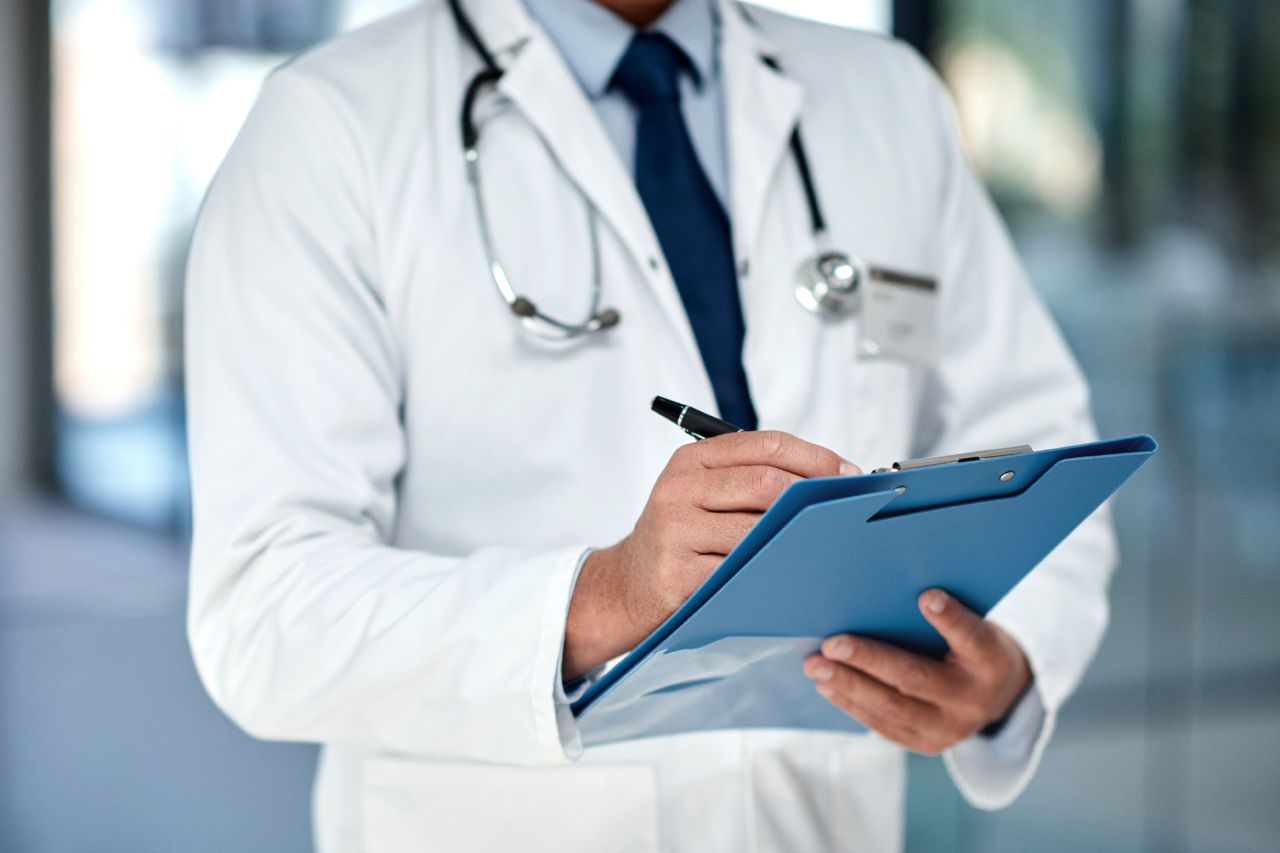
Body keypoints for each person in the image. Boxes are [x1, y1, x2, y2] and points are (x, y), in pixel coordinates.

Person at [184, 0, 1116, 850]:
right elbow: (262, 611)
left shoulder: (887, 101)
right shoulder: (329, 125)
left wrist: (1006, 668)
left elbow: (1046, 455)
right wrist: (598, 597)